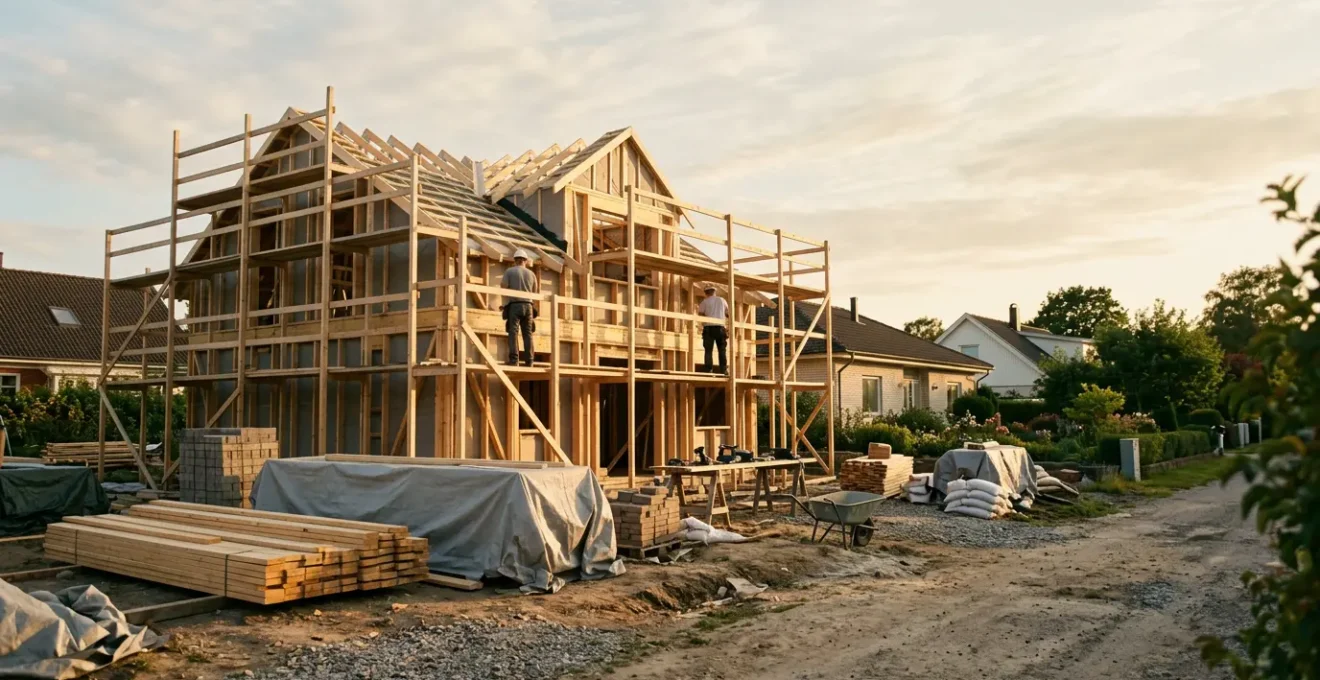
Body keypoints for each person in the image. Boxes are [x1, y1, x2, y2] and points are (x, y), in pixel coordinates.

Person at [501, 249, 538, 366]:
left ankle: (514, 360)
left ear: (515, 260)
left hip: (515, 305)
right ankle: (530, 360)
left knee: (513, 332)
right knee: (528, 334)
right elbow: (535, 292)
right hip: (528, 306)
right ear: (525, 261)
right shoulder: (532, 274)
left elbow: (503, 286)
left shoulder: (509, 271)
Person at [698, 284, 729, 374]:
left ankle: (708, 370)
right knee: (722, 350)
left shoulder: (704, 302)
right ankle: (723, 370)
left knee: (708, 350)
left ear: (706, 293)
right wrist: (728, 326)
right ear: (714, 291)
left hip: (708, 328)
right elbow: (728, 314)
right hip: (720, 327)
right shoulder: (722, 300)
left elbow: (701, 314)